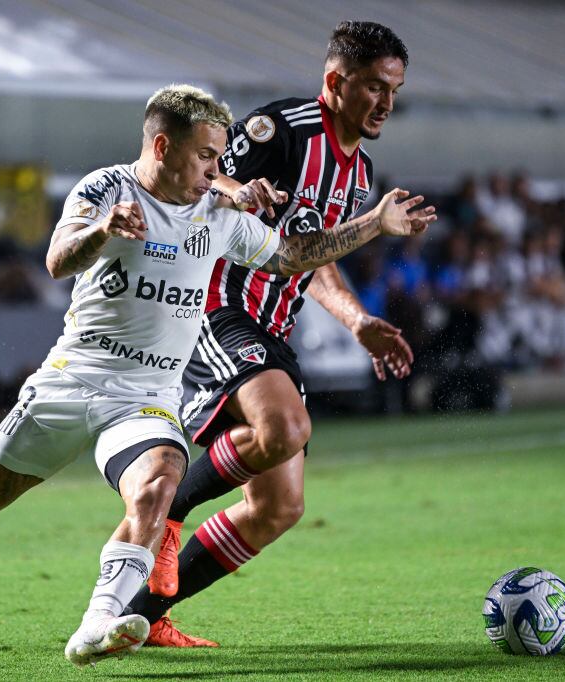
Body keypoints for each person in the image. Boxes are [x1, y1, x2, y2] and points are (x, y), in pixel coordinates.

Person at [0, 83, 435, 668]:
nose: (216, 170)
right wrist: (102, 230)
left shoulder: (219, 217)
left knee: (159, 483)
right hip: (71, 380)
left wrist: (374, 224)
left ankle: (99, 622)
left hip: (145, 395)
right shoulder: (108, 188)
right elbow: (57, 261)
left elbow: (292, 256)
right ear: (162, 146)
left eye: (219, 157)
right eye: (206, 156)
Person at [124, 21, 426, 647]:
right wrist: (242, 190)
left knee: (277, 508)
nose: (386, 104)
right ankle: (170, 504)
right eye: (375, 87)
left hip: (273, 326)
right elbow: (209, 177)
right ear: (336, 81)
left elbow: (312, 255)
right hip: (217, 306)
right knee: (284, 427)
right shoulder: (282, 128)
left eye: (394, 91)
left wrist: (356, 319)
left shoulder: (359, 171)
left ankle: (141, 616)